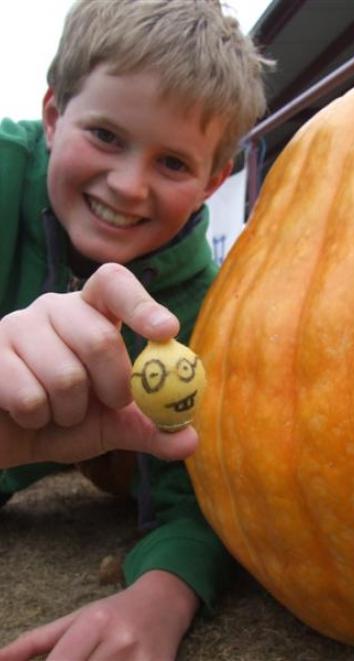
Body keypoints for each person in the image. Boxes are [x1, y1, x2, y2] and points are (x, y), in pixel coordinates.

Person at [0, 0, 272, 658]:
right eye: (106, 136)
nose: (127, 186)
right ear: (55, 115)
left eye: (172, 164)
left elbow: (202, 481)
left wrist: (166, 589)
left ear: (213, 180)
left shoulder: (210, 307)